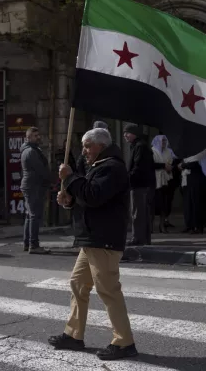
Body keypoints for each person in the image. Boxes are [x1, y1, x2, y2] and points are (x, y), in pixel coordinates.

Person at [50, 128, 137, 361]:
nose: (84, 151)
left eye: (87, 145)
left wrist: (69, 177)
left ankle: (124, 341)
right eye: (83, 145)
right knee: (78, 283)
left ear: (101, 145)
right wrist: (69, 201)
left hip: (104, 239)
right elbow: (86, 199)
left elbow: (93, 195)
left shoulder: (112, 167)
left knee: (108, 290)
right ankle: (74, 335)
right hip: (92, 238)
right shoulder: (98, 166)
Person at [20, 127, 51, 254]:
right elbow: (41, 170)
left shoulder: (32, 150)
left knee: (30, 215)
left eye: (38, 135)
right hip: (33, 186)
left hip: (32, 185)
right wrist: (52, 180)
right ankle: (34, 245)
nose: (38, 137)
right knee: (34, 216)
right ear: (28, 138)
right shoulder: (31, 152)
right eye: (35, 136)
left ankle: (28, 243)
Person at [124, 124, 155, 246]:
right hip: (141, 184)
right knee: (141, 212)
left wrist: (128, 178)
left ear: (134, 133)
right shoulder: (137, 146)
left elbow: (138, 167)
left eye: (127, 132)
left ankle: (138, 238)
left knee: (137, 213)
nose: (125, 135)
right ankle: (144, 238)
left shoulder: (140, 147)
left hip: (139, 185)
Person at [180, 149, 206, 235]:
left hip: (196, 182)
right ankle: (190, 225)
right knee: (188, 204)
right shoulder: (188, 153)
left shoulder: (200, 151)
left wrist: (183, 165)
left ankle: (198, 226)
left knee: (196, 204)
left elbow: (194, 164)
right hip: (188, 181)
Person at [151, 135, 175, 233]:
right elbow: (151, 164)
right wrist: (164, 165)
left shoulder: (168, 151)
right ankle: (151, 226)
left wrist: (169, 167)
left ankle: (162, 225)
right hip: (155, 179)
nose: (164, 143)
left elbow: (170, 162)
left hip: (166, 179)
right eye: (162, 141)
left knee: (164, 204)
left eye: (165, 140)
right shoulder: (152, 151)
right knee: (153, 204)